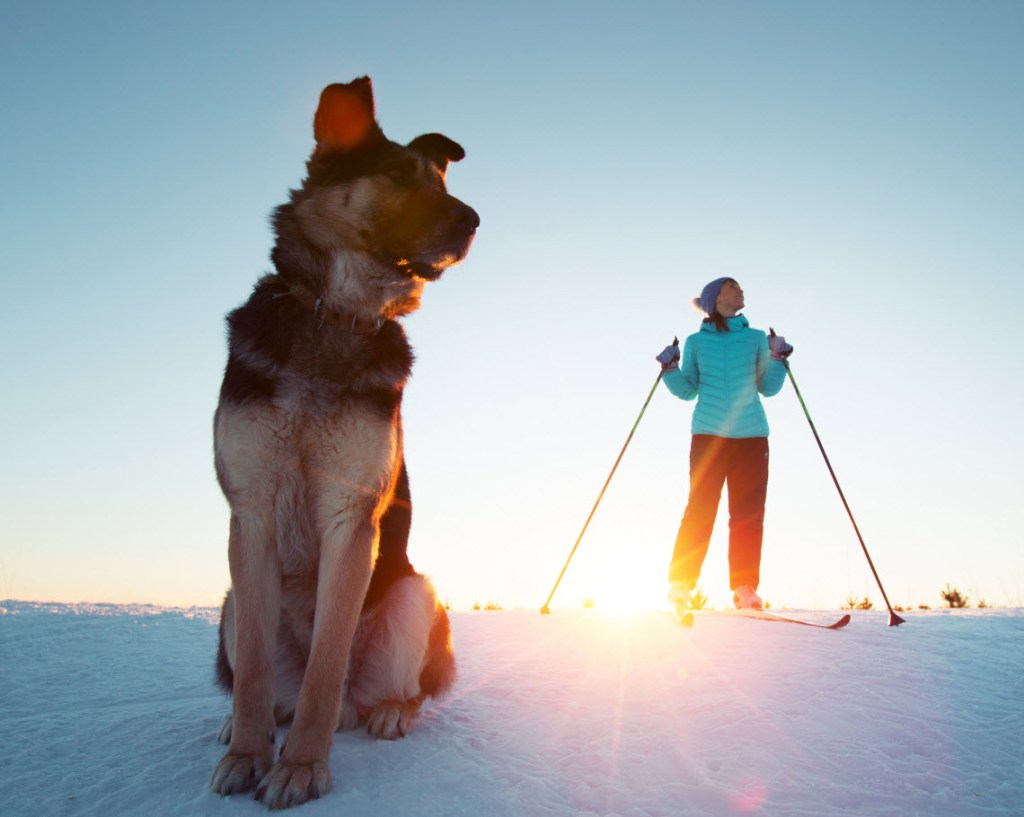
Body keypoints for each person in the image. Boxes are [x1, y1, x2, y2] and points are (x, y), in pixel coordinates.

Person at [655, 277, 792, 613]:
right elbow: (688, 389)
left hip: (751, 436)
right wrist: (670, 368)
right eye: (733, 287)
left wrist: (777, 359)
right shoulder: (696, 342)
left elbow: (768, 388)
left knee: (748, 515)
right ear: (716, 299)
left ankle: (744, 589)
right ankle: (680, 586)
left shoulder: (757, 338)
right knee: (699, 510)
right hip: (708, 435)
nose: (741, 290)